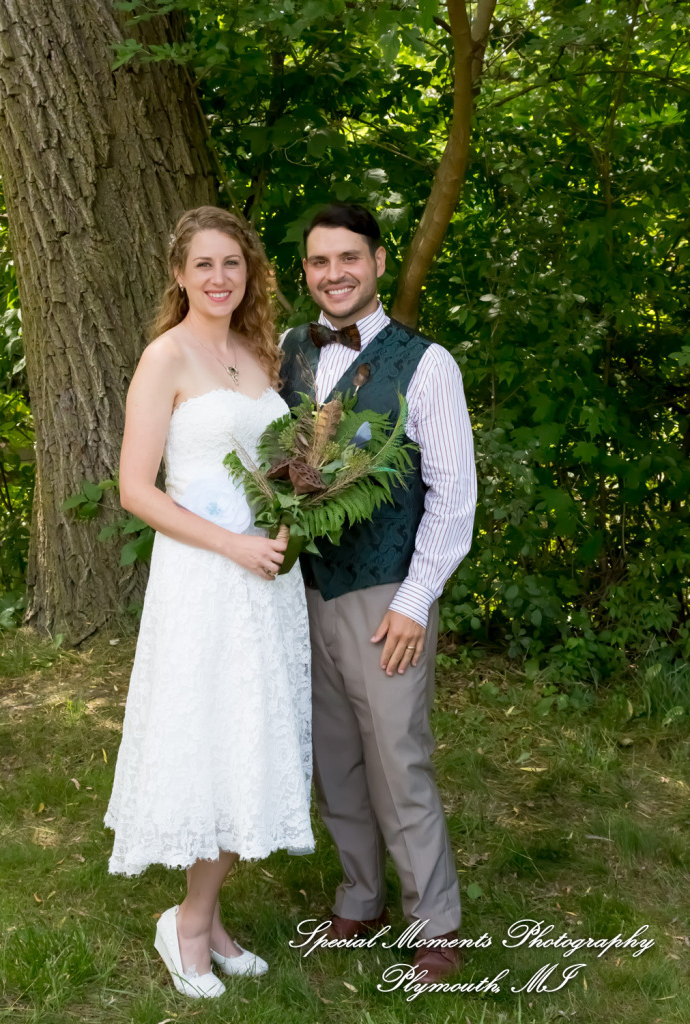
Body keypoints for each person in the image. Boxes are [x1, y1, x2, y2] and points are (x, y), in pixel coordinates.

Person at [104, 206, 314, 999]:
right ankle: (187, 925)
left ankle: (210, 918)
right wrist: (230, 545)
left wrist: (296, 511)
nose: (220, 278)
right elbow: (135, 490)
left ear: (250, 272)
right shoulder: (165, 357)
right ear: (179, 274)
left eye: (232, 263)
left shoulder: (257, 355)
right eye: (204, 265)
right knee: (211, 740)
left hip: (264, 579)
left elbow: (272, 466)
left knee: (245, 742)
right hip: (203, 575)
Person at [279, 203, 476, 982]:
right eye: (319, 261)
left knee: (397, 758)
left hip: (385, 591)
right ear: (305, 271)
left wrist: (414, 601)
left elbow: (453, 495)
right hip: (303, 590)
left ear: (378, 261)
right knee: (333, 757)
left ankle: (435, 925)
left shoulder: (427, 364)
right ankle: (359, 897)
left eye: (348, 258)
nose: (334, 274)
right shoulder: (289, 351)